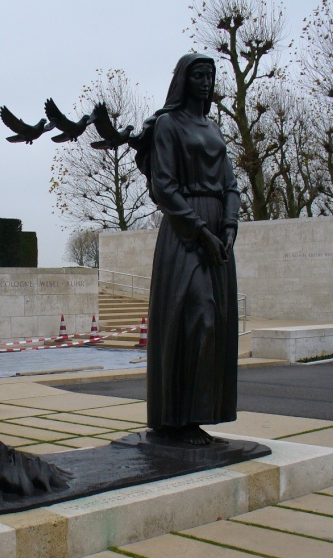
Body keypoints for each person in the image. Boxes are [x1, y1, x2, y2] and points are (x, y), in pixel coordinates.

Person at [138, 53, 241, 446]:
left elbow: (231, 185)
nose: (205, 82)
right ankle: (175, 418)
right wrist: (201, 232)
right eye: (198, 75)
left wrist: (229, 227)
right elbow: (164, 186)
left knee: (215, 325)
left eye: (210, 76)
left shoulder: (213, 127)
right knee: (199, 318)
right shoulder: (168, 124)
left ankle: (197, 416)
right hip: (186, 232)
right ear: (184, 80)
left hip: (218, 228)